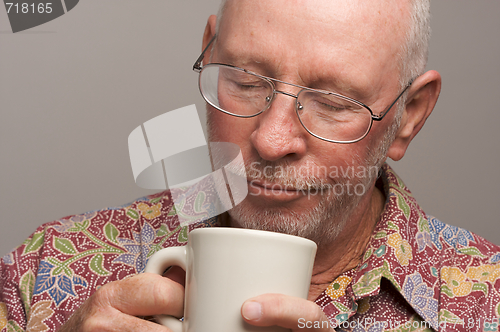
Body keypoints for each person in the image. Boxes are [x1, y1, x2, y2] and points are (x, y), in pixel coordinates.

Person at [1, 0, 499, 331]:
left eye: (331, 100)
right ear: (208, 50)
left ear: (409, 116)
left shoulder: (487, 303)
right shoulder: (48, 268)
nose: (271, 139)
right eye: (243, 79)